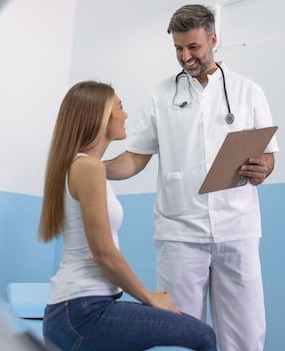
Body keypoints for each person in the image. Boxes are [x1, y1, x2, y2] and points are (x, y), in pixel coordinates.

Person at [104, 4, 279, 351]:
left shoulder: (248, 91)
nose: (185, 56)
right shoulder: (161, 94)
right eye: (178, 48)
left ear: (213, 39)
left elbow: (268, 155)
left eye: (193, 47)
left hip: (237, 229)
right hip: (179, 232)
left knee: (245, 337)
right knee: (178, 336)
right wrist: (95, 168)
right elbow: (136, 156)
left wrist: (264, 167)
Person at [38, 81, 217, 351]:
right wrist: (149, 297)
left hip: (76, 310)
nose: (125, 115)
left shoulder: (81, 165)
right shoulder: (87, 167)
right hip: (82, 312)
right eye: (120, 108)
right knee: (204, 336)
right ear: (100, 117)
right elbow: (104, 254)